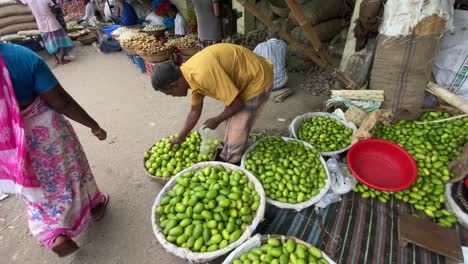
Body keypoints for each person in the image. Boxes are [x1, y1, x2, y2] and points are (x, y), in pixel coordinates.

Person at [0, 43, 109, 257]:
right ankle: (94, 205)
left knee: (37, 189)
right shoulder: (21, 57)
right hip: (44, 134)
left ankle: (54, 235)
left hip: (10, 146)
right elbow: (62, 102)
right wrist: (94, 125)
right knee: (73, 171)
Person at [151, 44, 273, 164]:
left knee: (238, 125)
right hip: (244, 77)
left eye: (169, 94)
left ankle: (232, 162)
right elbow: (194, 112)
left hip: (257, 78)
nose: (172, 96)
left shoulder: (202, 75)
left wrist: (217, 119)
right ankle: (230, 148)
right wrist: (180, 137)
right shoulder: (188, 75)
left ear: (174, 86)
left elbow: (237, 104)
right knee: (230, 117)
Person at [21, 0, 74, 65]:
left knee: (48, 43)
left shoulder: (29, 1)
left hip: (41, 24)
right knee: (63, 40)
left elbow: (21, 2)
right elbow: (54, 10)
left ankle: (55, 59)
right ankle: (61, 59)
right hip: (52, 22)